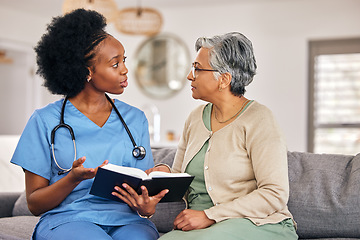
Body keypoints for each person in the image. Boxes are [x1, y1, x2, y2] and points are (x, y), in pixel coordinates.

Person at [10, 9, 167, 240]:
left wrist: (147, 207)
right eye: (115, 64)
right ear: (87, 71)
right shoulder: (44, 121)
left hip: (128, 221)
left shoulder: (135, 118)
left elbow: (143, 189)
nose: (124, 69)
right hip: (68, 219)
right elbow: (35, 204)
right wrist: (72, 178)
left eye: (124, 60)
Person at [153, 32, 298, 239]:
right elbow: (180, 180)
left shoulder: (260, 119)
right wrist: (159, 177)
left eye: (197, 68)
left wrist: (209, 215)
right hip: (204, 227)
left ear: (224, 79)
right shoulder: (194, 118)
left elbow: (275, 194)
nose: (189, 75)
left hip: (257, 223)